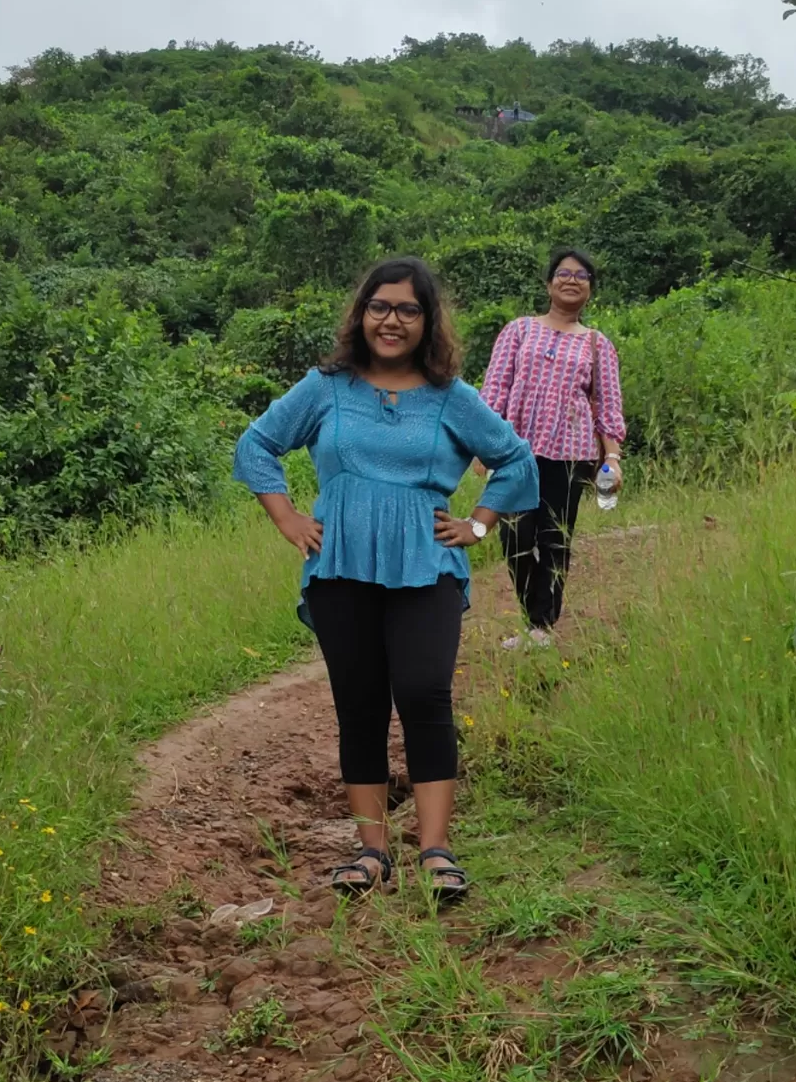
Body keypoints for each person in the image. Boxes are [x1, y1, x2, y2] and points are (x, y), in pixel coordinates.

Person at [233, 256, 537, 903]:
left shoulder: (452, 398)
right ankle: (372, 852)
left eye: (407, 309)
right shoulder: (326, 388)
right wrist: (287, 517)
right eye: (380, 306)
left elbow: (514, 459)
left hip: (426, 564)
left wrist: (479, 526)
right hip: (340, 566)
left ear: (427, 322)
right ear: (361, 313)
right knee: (360, 704)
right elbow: (256, 444)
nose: (391, 320)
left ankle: (435, 850)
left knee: (425, 693)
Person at [480, 247, 625, 646]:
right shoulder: (519, 330)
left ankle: (541, 626)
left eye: (582, 276)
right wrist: (482, 445)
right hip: (515, 452)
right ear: (548, 283)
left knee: (555, 537)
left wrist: (611, 457)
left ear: (591, 291)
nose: (572, 280)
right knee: (513, 536)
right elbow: (495, 389)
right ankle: (533, 614)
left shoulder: (597, 344)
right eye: (564, 273)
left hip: (570, 455)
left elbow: (607, 406)